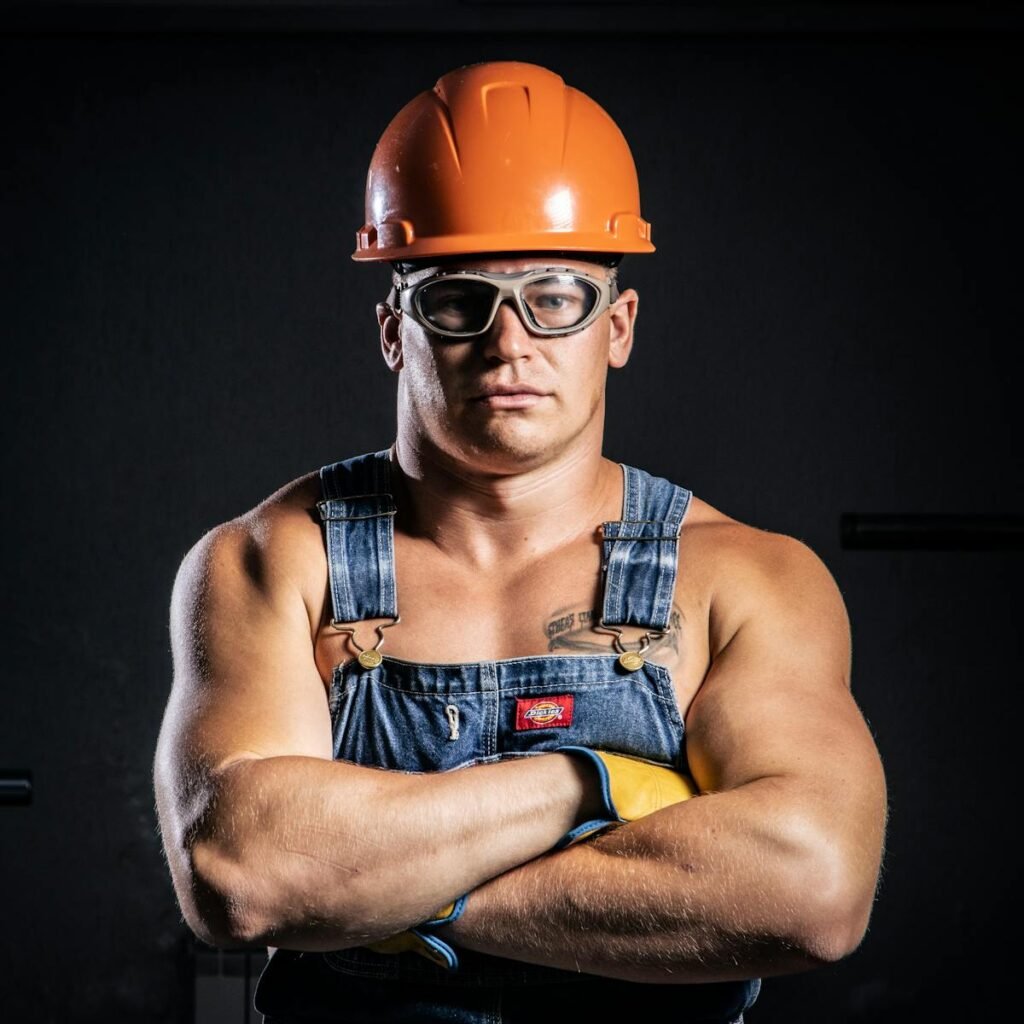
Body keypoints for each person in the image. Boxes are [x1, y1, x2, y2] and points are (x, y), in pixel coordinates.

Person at [153, 60, 887, 1023]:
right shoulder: (273, 562)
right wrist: (586, 783)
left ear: (617, 326)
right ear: (393, 330)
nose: (510, 344)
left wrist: (386, 897)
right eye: (458, 301)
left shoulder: (745, 579)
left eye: (556, 297)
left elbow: (812, 889)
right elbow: (242, 874)